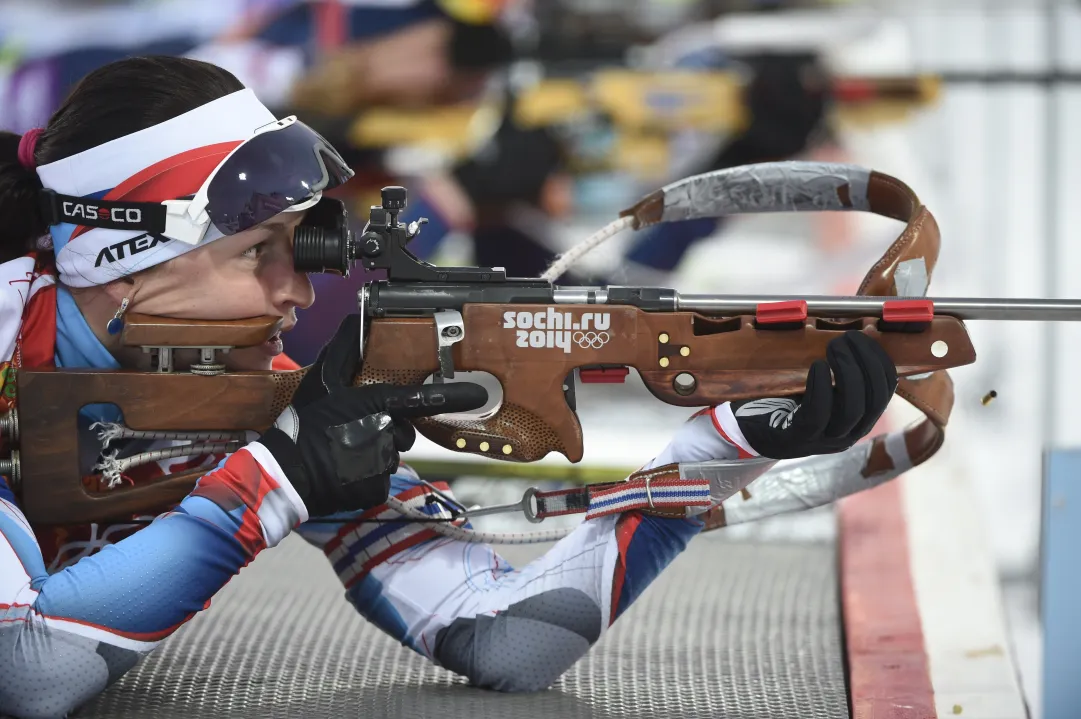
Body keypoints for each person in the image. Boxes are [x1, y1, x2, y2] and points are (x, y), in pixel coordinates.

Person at [0, 56, 898, 719]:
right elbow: (28, 670)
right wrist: (272, 485)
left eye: (303, 245)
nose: (300, 291)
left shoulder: (247, 394)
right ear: (122, 263)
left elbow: (506, 637)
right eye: (256, 253)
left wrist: (718, 450)